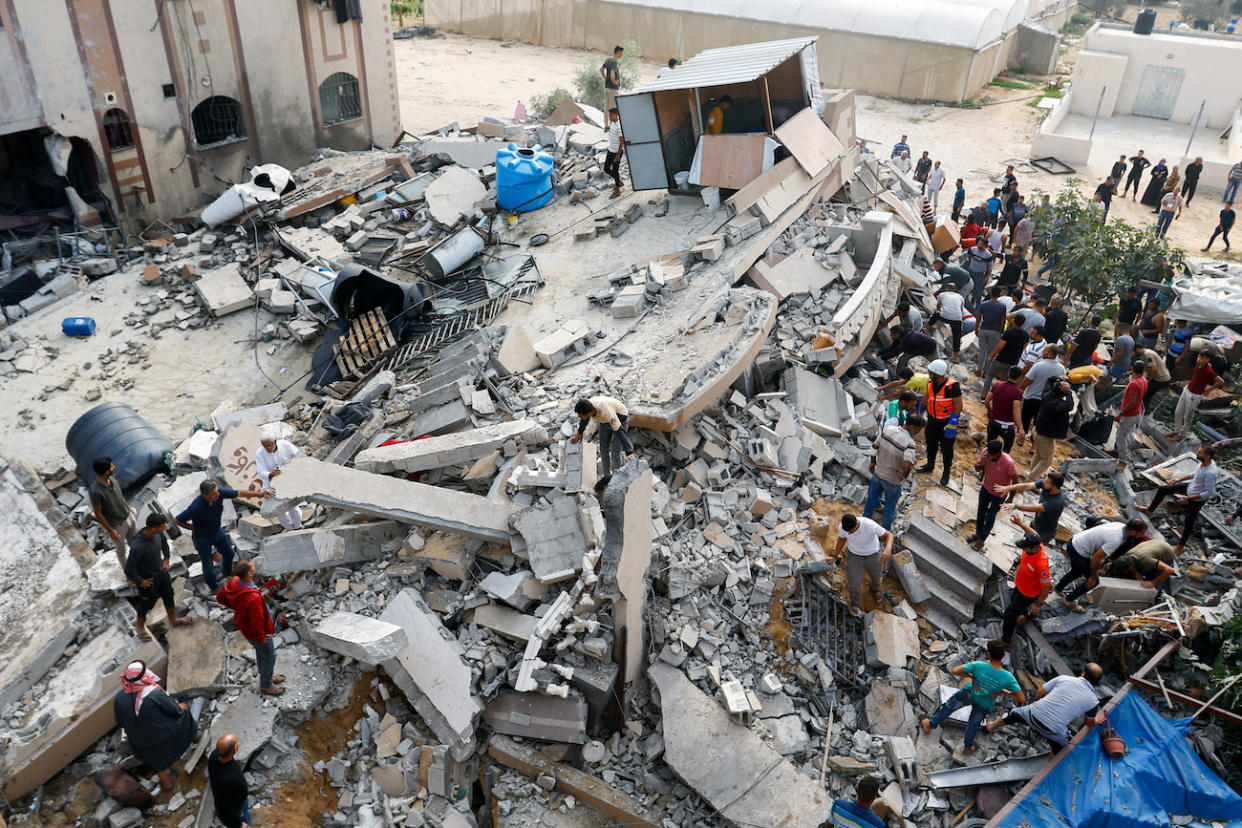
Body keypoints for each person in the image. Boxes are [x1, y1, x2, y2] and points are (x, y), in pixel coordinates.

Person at [920, 640, 1025, 755]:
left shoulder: (979, 665)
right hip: (985, 702)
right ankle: (967, 747)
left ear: (988, 654)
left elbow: (954, 670)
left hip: (969, 693)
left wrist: (973, 678)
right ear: (1004, 655)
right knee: (973, 724)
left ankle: (930, 725)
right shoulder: (1008, 677)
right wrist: (1002, 692)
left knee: (949, 707)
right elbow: (1021, 699)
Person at [113, 661, 196, 791]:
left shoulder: (119, 698)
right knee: (184, 710)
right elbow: (175, 710)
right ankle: (193, 736)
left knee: (156, 761)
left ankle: (167, 783)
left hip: (140, 744)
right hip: (165, 737)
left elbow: (120, 721)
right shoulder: (154, 694)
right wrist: (182, 707)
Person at [175, 480, 270, 593]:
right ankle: (213, 587)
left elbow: (240, 493)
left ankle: (227, 571)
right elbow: (177, 520)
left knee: (229, 553)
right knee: (207, 564)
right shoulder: (196, 507)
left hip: (216, 532)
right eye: (214, 494)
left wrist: (261, 494)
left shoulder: (219, 494)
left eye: (217, 492)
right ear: (205, 495)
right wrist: (193, 528)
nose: (218, 495)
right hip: (202, 538)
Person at [984, 664, 1107, 750]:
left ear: (1083, 673)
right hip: (1053, 731)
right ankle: (1051, 765)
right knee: (1064, 747)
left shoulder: (1064, 678)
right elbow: (1088, 722)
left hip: (1031, 716)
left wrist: (1035, 704)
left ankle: (991, 726)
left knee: (1014, 714)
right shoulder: (1093, 701)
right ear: (1097, 682)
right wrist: (1096, 720)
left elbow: (1040, 692)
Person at [217, 560, 286, 696]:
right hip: (257, 632)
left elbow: (220, 597)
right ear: (249, 573)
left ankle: (266, 675)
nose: (254, 565)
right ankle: (266, 685)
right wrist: (262, 636)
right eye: (252, 566)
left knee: (262, 654)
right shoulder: (253, 599)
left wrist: (236, 607)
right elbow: (257, 622)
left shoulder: (235, 582)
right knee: (269, 656)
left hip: (245, 627)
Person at [125, 513, 194, 642]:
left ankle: (173, 620)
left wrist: (166, 559)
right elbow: (129, 568)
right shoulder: (138, 546)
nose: (165, 526)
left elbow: (164, 543)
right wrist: (140, 582)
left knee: (168, 595)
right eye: (163, 525)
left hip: (161, 573)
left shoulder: (157, 534)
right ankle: (139, 627)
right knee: (146, 603)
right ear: (154, 528)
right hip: (148, 580)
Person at [1139, 444, 1219, 554]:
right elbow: (1194, 475)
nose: (1197, 453)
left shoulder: (1211, 472)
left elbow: (1207, 493)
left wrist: (1188, 499)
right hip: (1191, 488)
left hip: (1196, 499)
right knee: (1163, 489)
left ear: (1207, 456)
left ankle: (1181, 546)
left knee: (1189, 521)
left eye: (1200, 453)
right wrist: (1179, 480)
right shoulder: (1203, 463)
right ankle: (1150, 510)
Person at [1056, 518, 1147, 611]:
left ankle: (1058, 588)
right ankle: (1068, 600)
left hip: (1075, 541)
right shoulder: (1116, 539)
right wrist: (1093, 576)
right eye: (1142, 533)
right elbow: (1095, 559)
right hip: (1079, 550)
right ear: (1133, 531)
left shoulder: (1119, 525)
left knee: (1078, 570)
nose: (1143, 535)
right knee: (1094, 582)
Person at [863, 414, 924, 530]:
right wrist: (904, 476)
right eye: (919, 429)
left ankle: (865, 522)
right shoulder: (909, 443)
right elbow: (907, 465)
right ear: (912, 426)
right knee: (890, 506)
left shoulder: (888, 429)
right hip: (893, 479)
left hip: (878, 472)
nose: (919, 432)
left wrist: (872, 462)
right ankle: (884, 530)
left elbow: (875, 446)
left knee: (871, 497)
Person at [833, 514, 894, 617]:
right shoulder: (844, 527)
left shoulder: (869, 525)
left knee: (876, 576)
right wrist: (834, 555)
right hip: (854, 555)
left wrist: (888, 548)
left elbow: (889, 535)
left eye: (851, 531)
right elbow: (842, 539)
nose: (849, 533)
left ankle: (875, 589)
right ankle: (855, 602)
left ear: (857, 524)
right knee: (854, 581)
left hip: (872, 554)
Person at [915, 360, 962, 486]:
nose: (928, 373)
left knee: (946, 449)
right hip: (932, 420)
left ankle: (946, 472)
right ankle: (930, 465)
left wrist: (952, 424)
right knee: (931, 444)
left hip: (946, 422)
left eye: (931, 371)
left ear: (937, 373)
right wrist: (920, 412)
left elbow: (958, 406)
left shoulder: (952, 386)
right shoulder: (931, 382)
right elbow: (926, 398)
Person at [967, 440, 1020, 549]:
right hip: (986, 487)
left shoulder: (1009, 463)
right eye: (989, 455)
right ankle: (977, 534)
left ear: (1000, 452)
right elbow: (977, 468)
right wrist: (983, 462)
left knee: (990, 516)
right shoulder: (986, 453)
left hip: (999, 494)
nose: (990, 457)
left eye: (993, 455)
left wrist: (1010, 498)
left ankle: (982, 540)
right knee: (981, 511)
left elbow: (1015, 482)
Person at [1001, 533, 1052, 645]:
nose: (1023, 549)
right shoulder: (1037, 545)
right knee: (1016, 602)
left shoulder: (1041, 565)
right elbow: (1033, 532)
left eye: (1025, 547)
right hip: (1020, 586)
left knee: (1009, 614)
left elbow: (1046, 587)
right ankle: (1028, 613)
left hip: (1027, 594)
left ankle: (1006, 640)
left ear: (1034, 549)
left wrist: (1038, 604)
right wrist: (1020, 523)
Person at [90, 456, 136, 571]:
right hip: (117, 525)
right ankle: (128, 572)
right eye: (112, 466)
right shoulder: (95, 491)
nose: (114, 467)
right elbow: (98, 513)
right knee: (121, 551)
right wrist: (111, 531)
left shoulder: (113, 480)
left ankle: (139, 564)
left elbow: (119, 495)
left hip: (128, 516)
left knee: (135, 543)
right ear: (106, 471)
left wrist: (128, 508)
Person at [571, 396, 635, 475]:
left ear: (590, 413)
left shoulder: (606, 412)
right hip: (605, 421)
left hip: (620, 418)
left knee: (615, 452)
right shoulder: (587, 406)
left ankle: (616, 477)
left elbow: (620, 431)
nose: (579, 417)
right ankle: (607, 476)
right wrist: (580, 433)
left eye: (581, 415)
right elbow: (584, 419)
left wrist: (629, 452)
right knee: (603, 449)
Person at [1025, 377, 1073, 483]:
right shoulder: (1057, 405)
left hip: (1037, 430)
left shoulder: (1047, 395)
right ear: (1063, 394)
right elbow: (1070, 405)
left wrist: (1056, 378)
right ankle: (1030, 480)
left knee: (1039, 454)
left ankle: (1031, 477)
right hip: (1045, 436)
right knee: (1046, 461)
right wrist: (1068, 392)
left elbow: (1048, 382)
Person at [1170, 350, 1225, 439]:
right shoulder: (1197, 362)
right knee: (1178, 412)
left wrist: (1209, 389)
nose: (1199, 359)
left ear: (1208, 360)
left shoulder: (1209, 371)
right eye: (1199, 356)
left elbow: (1221, 381)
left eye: (1202, 358)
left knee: (1188, 417)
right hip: (1187, 390)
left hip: (1195, 395)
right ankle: (1176, 431)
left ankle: (1181, 435)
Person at [255, 429, 303, 531]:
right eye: (265, 446)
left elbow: (298, 455)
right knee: (280, 511)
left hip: (288, 481)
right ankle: (290, 529)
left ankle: (298, 526)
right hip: (271, 484)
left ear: (275, 441)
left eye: (269, 446)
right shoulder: (259, 453)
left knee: (294, 508)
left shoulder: (285, 445)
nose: (267, 449)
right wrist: (270, 474)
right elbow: (260, 471)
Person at [1002, 471, 1066, 546]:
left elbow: (1035, 508)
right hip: (1036, 522)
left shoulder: (1057, 502)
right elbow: (1027, 486)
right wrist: (1009, 488)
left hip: (1045, 532)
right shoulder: (1046, 485)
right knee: (1026, 542)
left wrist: (1016, 506)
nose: (1043, 482)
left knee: (1034, 549)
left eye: (1047, 482)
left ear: (1055, 487)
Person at [208, 734, 251, 828]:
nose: (238, 743)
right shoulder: (229, 779)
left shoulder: (214, 755)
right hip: (236, 808)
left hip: (233, 799)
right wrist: (238, 825)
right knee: (245, 821)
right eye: (237, 743)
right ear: (234, 751)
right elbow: (224, 806)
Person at [1114, 360, 1146, 472]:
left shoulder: (1134, 384)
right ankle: (1122, 454)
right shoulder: (1143, 380)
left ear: (1132, 369)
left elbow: (1132, 402)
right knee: (1124, 435)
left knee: (1120, 437)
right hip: (1137, 412)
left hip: (1129, 414)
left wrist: (1121, 414)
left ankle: (1123, 461)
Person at [982, 314, 1028, 394]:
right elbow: (1024, 349)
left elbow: (1000, 346)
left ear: (1014, 320)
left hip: (1001, 359)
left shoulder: (1009, 332)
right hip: (1013, 362)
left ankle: (984, 395)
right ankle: (998, 396)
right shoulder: (1026, 335)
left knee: (989, 376)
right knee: (1005, 382)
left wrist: (991, 356)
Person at [1105, 538, 1175, 590]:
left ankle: (1151, 599)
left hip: (1166, 561)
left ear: (1132, 566)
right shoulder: (1127, 555)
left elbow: (1170, 570)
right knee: (1136, 577)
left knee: (1148, 587)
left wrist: (1153, 582)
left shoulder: (1145, 560)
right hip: (1155, 547)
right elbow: (1133, 571)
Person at [985, 366, 1025, 453]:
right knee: (1006, 451)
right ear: (1019, 377)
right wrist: (1021, 428)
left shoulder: (997, 385)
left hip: (994, 422)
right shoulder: (1018, 392)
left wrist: (990, 411)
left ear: (1008, 374)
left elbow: (987, 401)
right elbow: (1016, 411)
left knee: (989, 447)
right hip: (1008, 426)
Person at [976, 287, 1008, 378]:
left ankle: (979, 370)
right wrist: (1001, 332)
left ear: (990, 293)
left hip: (983, 329)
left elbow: (978, 318)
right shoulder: (1002, 306)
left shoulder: (984, 304)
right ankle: (986, 372)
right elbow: (1003, 321)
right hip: (995, 331)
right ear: (1000, 294)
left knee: (982, 350)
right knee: (991, 352)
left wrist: (976, 329)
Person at [1133, 343, 1172, 413]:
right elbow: (1144, 370)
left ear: (1137, 350)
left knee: (1146, 392)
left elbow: (1153, 369)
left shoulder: (1147, 354)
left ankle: (1143, 411)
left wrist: (1148, 381)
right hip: (1158, 378)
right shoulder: (1144, 356)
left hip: (1162, 380)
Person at [933, 287, 966, 363]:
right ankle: (955, 358)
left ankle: (927, 329)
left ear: (947, 288)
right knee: (957, 337)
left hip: (945, 315)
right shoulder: (960, 297)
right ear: (954, 290)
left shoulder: (942, 294)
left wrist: (940, 312)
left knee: (935, 316)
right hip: (957, 318)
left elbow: (938, 307)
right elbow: (960, 310)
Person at [962, 239, 994, 311]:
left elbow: (990, 267)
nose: (979, 245)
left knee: (978, 292)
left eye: (981, 244)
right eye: (979, 243)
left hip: (979, 275)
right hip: (970, 272)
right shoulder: (973, 249)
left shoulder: (988, 255)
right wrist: (960, 256)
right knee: (966, 288)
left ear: (985, 246)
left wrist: (987, 276)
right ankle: (965, 306)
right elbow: (967, 254)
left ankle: (977, 310)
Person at [603, 107, 625, 198]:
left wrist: (618, 155)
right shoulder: (613, 123)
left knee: (615, 171)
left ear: (616, 115)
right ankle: (618, 181)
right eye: (609, 115)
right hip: (610, 150)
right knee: (606, 168)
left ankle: (617, 190)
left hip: (616, 152)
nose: (610, 117)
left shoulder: (619, 126)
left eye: (611, 115)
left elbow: (622, 141)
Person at [600, 45, 623, 110]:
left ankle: (606, 120)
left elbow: (601, 69)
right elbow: (612, 74)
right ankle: (612, 120)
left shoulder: (608, 60)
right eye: (621, 53)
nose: (622, 54)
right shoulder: (614, 62)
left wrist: (605, 79)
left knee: (607, 107)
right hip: (613, 88)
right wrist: (614, 82)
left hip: (607, 87)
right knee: (613, 107)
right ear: (618, 52)